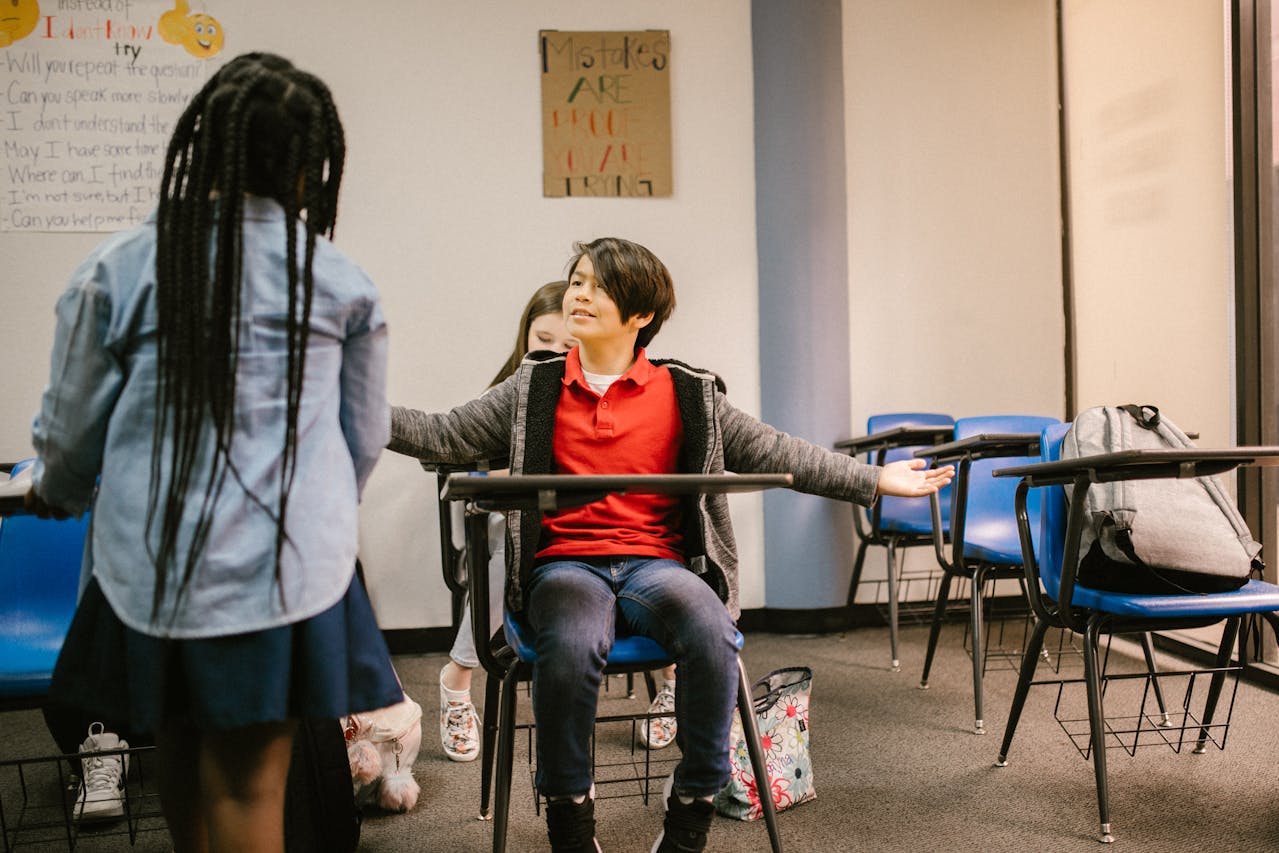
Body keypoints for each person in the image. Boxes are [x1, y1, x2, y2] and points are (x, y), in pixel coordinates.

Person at [389, 236, 953, 853]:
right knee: (570, 645)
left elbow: (777, 450)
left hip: (654, 566)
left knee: (713, 633)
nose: (580, 295)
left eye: (599, 286)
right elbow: (442, 434)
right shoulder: (536, 385)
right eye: (577, 281)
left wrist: (875, 479)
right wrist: (360, 408)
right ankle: (570, 817)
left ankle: (692, 806)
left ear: (640, 314)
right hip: (566, 566)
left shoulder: (687, 391)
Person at [26, 52, 402, 853]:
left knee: (179, 745)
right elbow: (363, 438)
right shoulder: (338, 280)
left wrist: (56, 489)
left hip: (151, 567)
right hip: (286, 570)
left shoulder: (120, 266)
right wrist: (323, 513)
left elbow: (71, 433)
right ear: (308, 168)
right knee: (247, 782)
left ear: (199, 145)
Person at [437, 281, 679, 762]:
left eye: (564, 343)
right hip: (527, 532)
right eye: (541, 338)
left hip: (605, 537)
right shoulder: (514, 393)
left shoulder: (615, 389)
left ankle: (672, 678)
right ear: (524, 336)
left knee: (660, 550)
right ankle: (458, 678)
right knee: (508, 537)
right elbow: (472, 468)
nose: (552, 349)